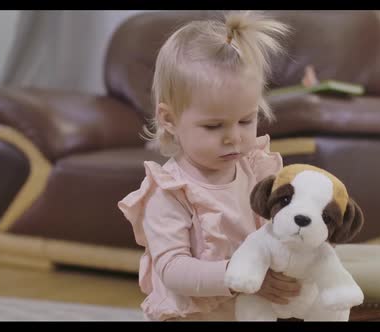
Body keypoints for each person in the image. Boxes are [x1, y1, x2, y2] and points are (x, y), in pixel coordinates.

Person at [118, 11, 299, 321]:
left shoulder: (257, 170)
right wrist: (242, 275)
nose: (233, 138)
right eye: (214, 126)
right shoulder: (170, 193)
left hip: (252, 310)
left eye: (246, 120)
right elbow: (173, 269)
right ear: (169, 120)